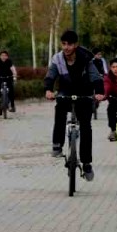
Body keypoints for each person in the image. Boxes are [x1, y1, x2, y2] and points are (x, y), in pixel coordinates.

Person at [43, 29, 106, 181]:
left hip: (84, 94)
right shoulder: (57, 59)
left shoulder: (86, 59)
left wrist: (99, 92)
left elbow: (95, 77)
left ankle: (86, 162)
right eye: (63, 44)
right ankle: (57, 144)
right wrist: (48, 90)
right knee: (59, 110)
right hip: (66, 91)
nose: (66, 48)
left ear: (75, 45)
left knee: (86, 127)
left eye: (69, 44)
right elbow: (50, 76)